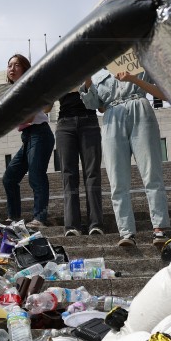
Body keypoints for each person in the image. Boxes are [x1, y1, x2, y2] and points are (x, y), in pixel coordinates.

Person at [80, 70, 170, 247]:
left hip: (140, 107)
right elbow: (92, 104)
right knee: (116, 179)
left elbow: (160, 87)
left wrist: (133, 78)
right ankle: (126, 231)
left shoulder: (137, 58)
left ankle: (159, 227)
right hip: (112, 115)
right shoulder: (98, 71)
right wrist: (87, 77)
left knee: (151, 172)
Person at [1, 54, 55, 230]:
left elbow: (34, 114)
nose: (12, 68)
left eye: (17, 65)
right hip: (27, 136)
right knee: (9, 178)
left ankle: (40, 217)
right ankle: (14, 217)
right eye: (9, 65)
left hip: (40, 133)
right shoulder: (12, 92)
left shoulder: (30, 86)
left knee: (36, 176)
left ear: (25, 68)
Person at [55, 88, 104, 236]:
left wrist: (88, 85)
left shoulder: (88, 67)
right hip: (65, 124)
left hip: (89, 120)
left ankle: (96, 224)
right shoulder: (56, 71)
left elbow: (101, 106)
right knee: (68, 175)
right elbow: (46, 107)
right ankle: (71, 226)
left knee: (92, 173)